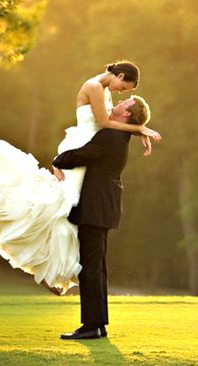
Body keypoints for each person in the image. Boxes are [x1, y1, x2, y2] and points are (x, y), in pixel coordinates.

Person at [0, 60, 161, 294]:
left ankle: (51, 269)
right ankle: (44, 266)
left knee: (71, 208)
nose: (120, 93)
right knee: (63, 203)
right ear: (120, 75)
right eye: (123, 88)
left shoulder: (104, 91)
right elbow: (104, 123)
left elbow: (111, 125)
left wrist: (137, 129)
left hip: (90, 150)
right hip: (81, 148)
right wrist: (138, 129)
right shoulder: (93, 86)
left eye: (124, 93)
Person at [52, 96, 154, 340]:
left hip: (96, 208)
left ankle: (91, 326)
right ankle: (97, 325)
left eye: (125, 102)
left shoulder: (111, 136)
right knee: (95, 267)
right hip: (102, 208)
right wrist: (140, 129)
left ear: (127, 114)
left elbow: (82, 155)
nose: (119, 102)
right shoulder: (120, 134)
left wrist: (57, 160)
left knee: (91, 268)